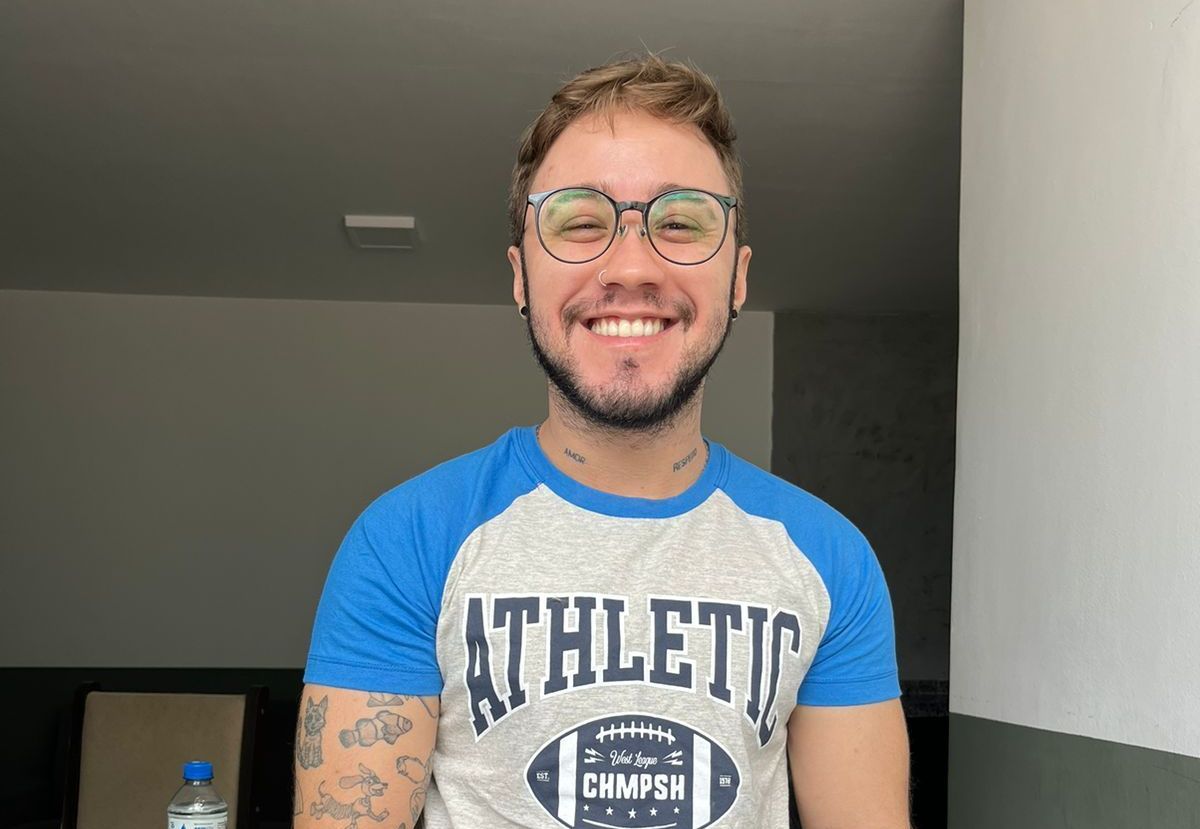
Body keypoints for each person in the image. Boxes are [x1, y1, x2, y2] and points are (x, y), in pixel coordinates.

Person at [294, 55, 910, 829]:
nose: (631, 265)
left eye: (681, 222)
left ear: (738, 277)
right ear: (521, 276)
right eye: (580, 222)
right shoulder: (405, 539)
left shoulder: (830, 559)